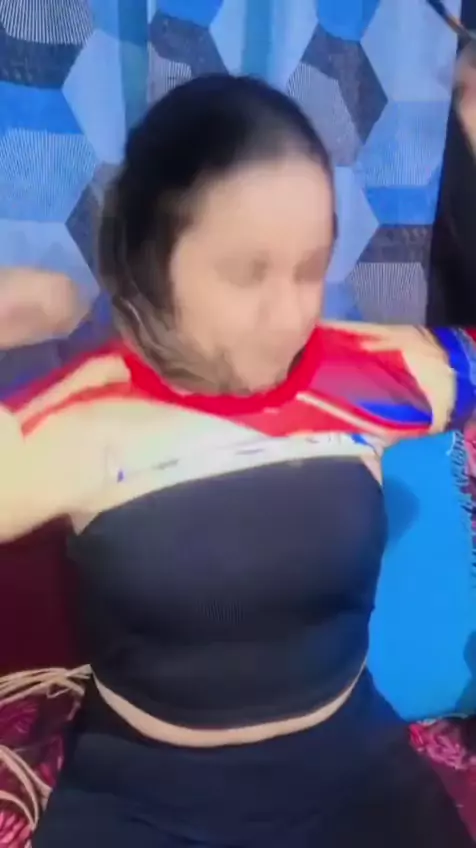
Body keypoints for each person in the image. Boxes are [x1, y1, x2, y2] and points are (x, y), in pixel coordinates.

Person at [0, 75, 474, 847]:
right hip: (145, 803)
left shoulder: (367, 375)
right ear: (148, 259)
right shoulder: (72, 418)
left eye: (311, 268)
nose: (289, 315)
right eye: (247, 273)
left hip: (356, 775)